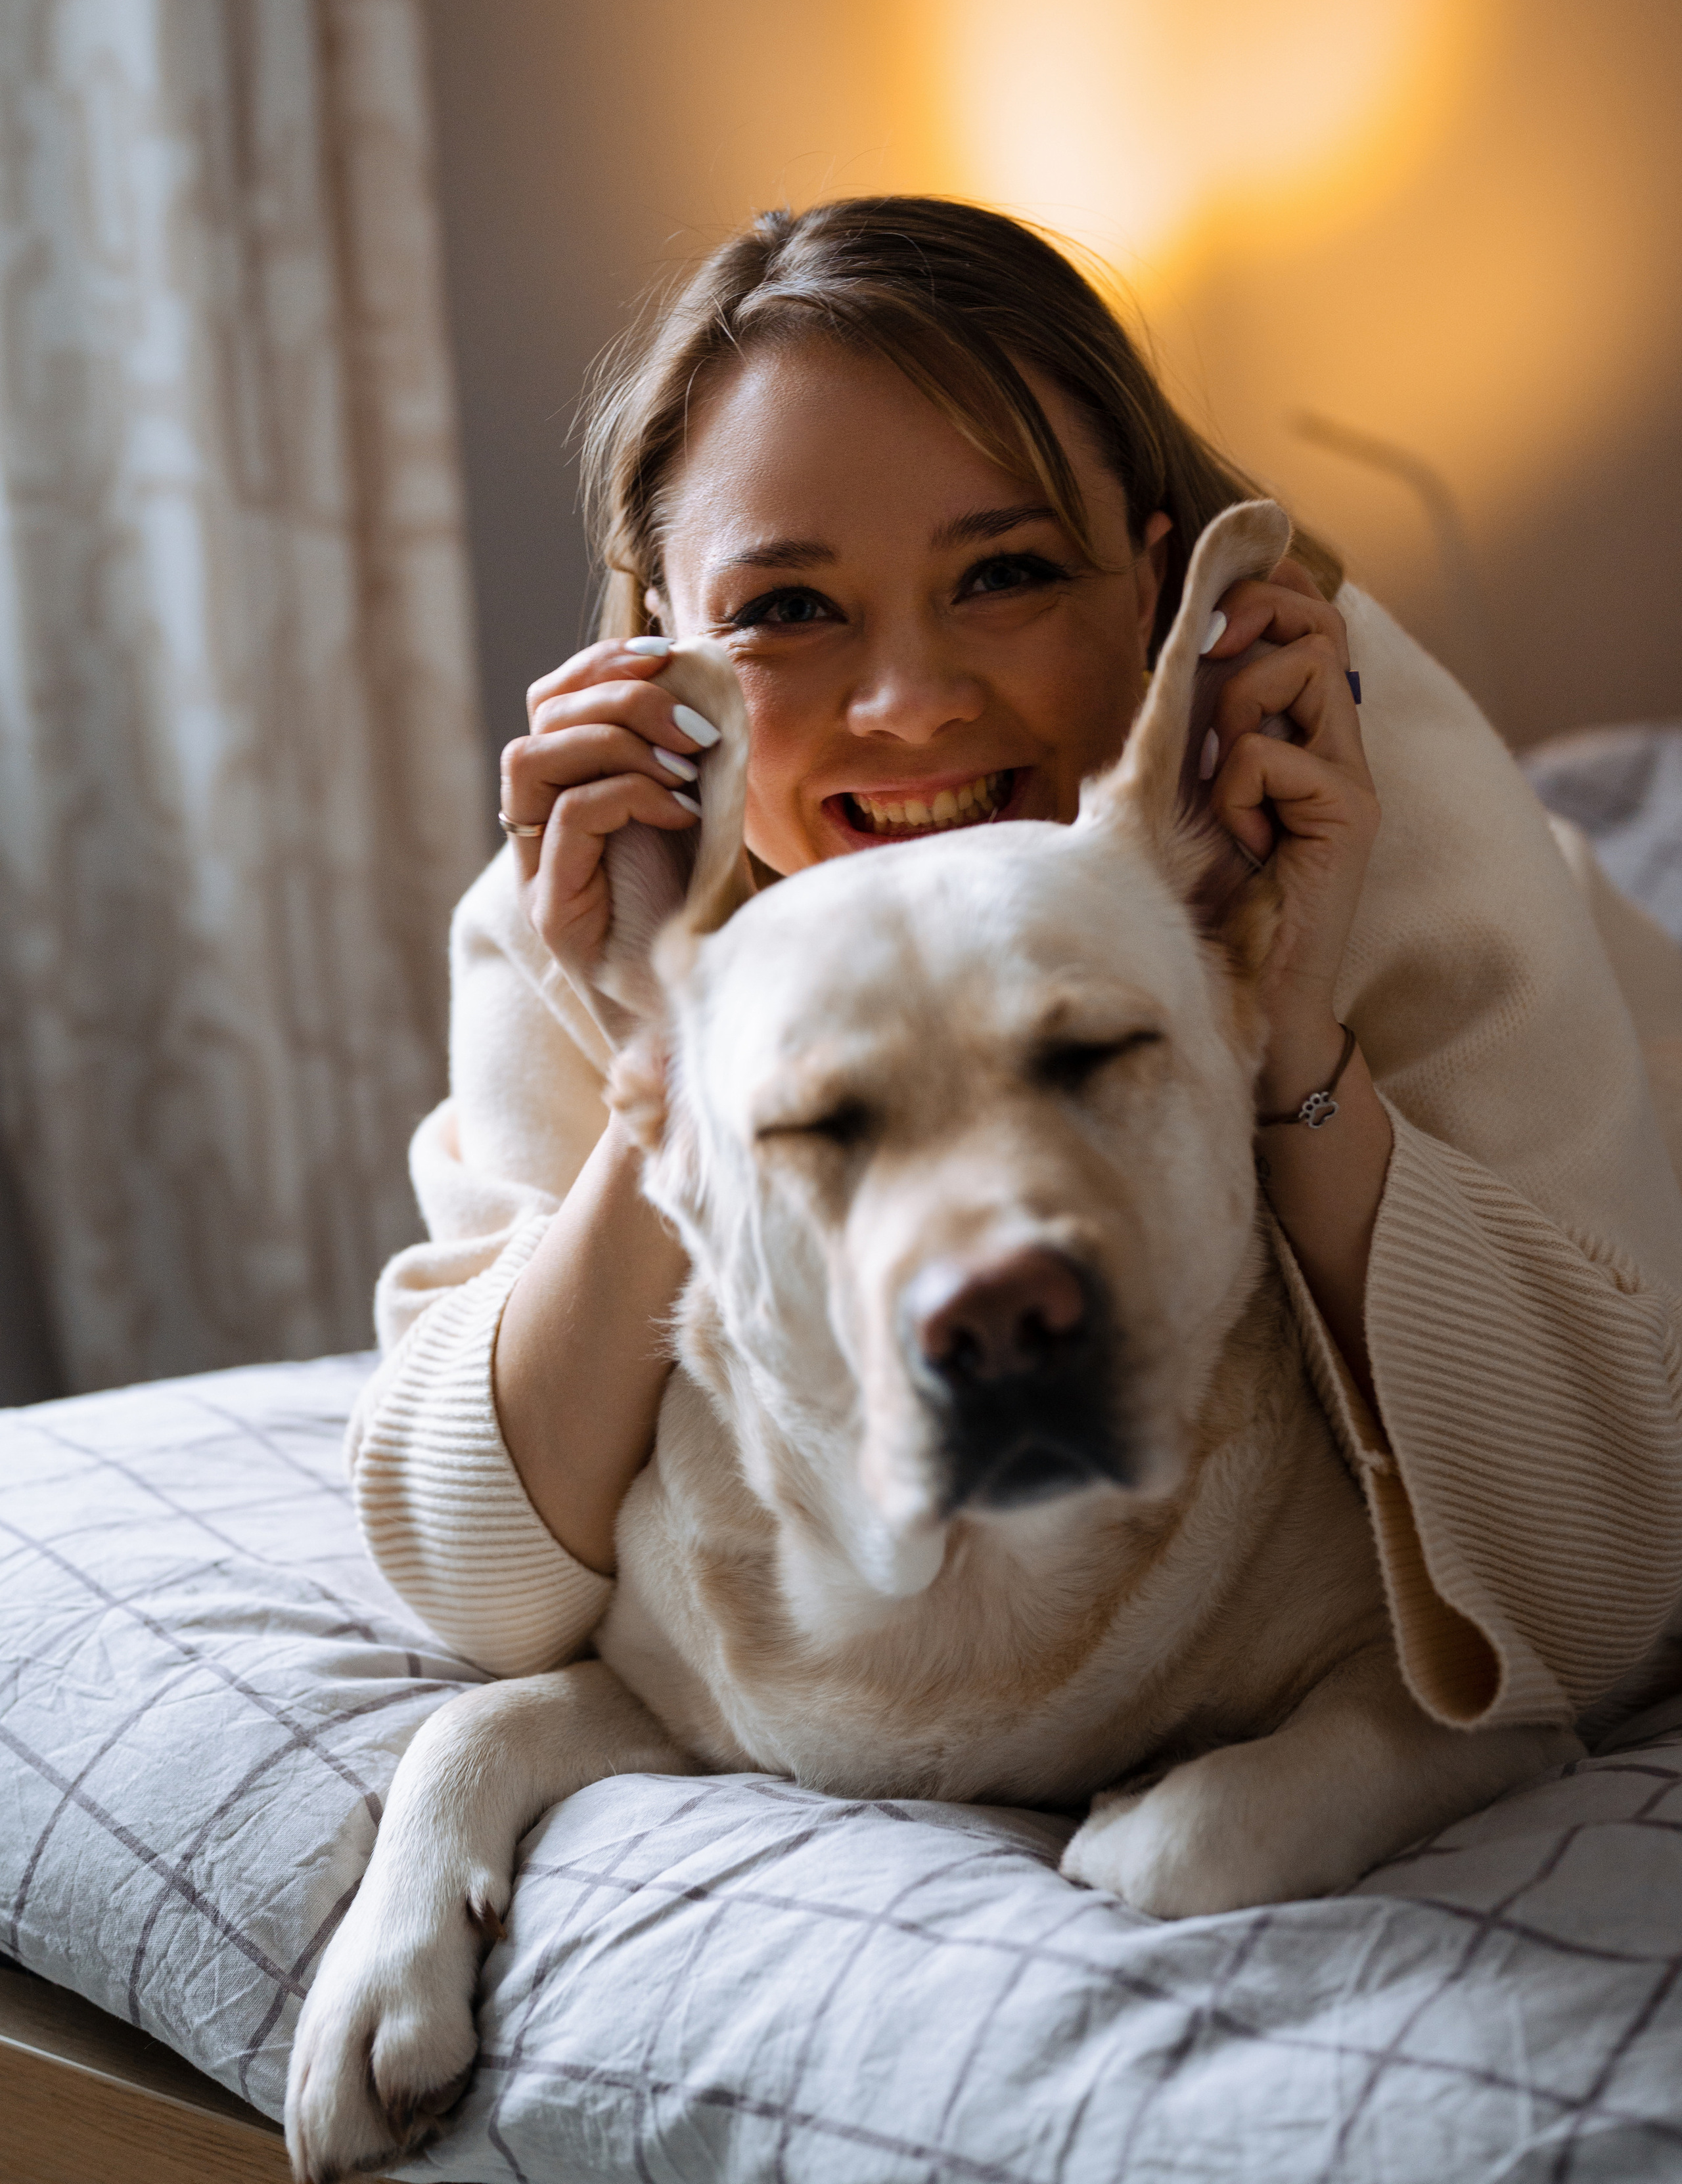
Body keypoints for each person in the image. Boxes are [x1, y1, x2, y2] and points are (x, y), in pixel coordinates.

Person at [348, 196, 1682, 1734]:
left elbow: (1603, 1577)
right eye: (786, 610)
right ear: (663, 655)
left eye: (1006, 573)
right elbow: (481, 1585)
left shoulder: (1337, 791)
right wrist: (675, 1061)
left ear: (1150, 586)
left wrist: (1282, 1022)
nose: (909, 704)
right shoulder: (602, 879)